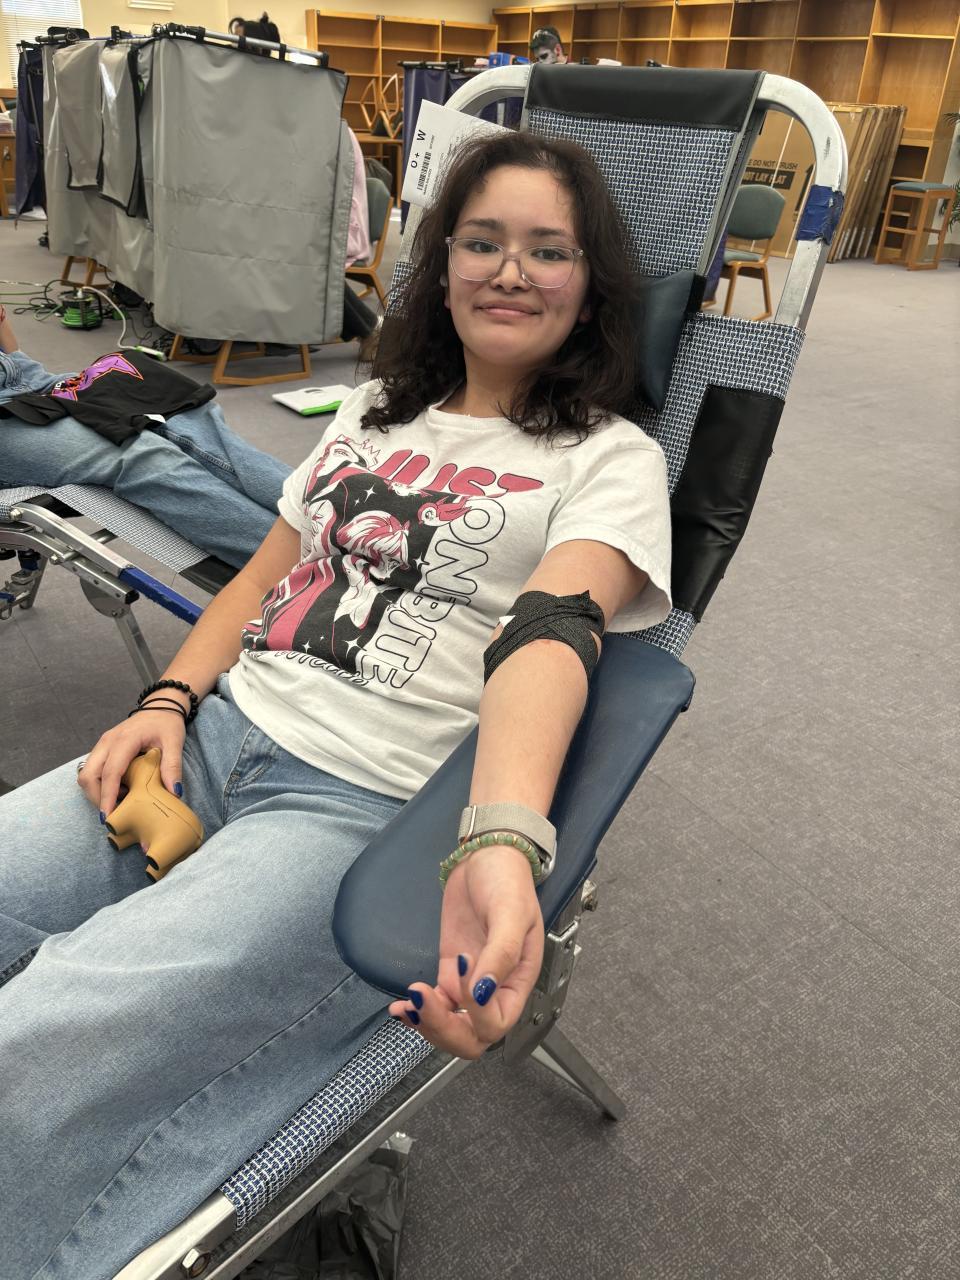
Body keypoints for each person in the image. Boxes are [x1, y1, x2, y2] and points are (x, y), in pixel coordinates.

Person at [0, 130, 672, 1279]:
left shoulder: (608, 456)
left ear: (592, 282)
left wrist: (500, 837)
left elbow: (553, 631)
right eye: (483, 242)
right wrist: (168, 695)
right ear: (442, 266)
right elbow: (263, 580)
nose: (511, 271)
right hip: (213, 740)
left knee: (47, 1035)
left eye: (548, 250)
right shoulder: (372, 411)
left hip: (353, 806)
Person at [0, 306, 290, 568]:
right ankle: (296, 567)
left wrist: (18, 359)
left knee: (184, 415)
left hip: (24, 376)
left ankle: (317, 516)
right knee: (144, 456)